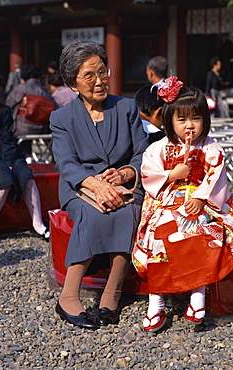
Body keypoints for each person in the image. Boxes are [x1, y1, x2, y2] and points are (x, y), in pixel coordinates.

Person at [132, 76, 233, 332]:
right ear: (169, 120)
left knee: (201, 231)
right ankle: (155, 301)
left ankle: (197, 296)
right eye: (181, 120)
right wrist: (172, 175)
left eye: (196, 119)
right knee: (160, 236)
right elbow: (148, 175)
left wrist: (201, 197)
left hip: (203, 202)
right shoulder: (158, 148)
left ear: (205, 119)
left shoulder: (213, 148)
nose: (189, 126)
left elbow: (216, 175)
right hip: (165, 199)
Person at [50, 40, 149, 329]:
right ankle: (68, 296)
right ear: (72, 83)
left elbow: (143, 153)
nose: (99, 81)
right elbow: (66, 162)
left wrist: (128, 172)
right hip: (80, 186)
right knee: (94, 212)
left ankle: (111, 296)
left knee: (126, 212)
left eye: (102, 72)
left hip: (125, 184)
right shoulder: (61, 118)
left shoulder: (127, 108)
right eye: (89, 76)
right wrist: (95, 185)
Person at [0, 68, 50, 241]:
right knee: (4, 177)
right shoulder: (43, 89)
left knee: (26, 175)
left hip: (7, 150)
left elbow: (7, 139)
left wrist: (9, 161)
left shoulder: (3, 111)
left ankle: (38, 224)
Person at [5, 63, 55, 161]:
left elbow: (8, 105)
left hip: (23, 128)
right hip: (43, 127)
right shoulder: (45, 90)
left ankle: (26, 157)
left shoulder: (21, 88)